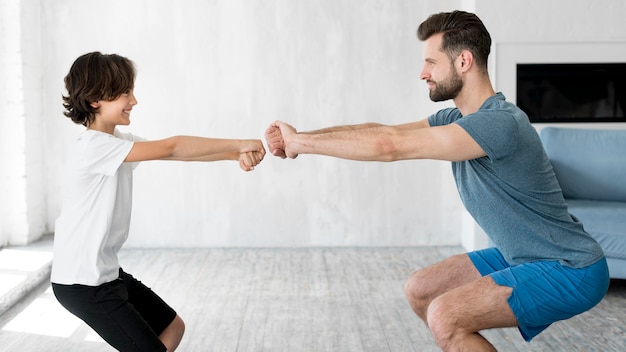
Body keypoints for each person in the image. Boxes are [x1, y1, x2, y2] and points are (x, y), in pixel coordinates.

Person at [264, 10, 609, 352]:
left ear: (463, 61)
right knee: (422, 289)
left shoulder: (500, 124)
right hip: (523, 255)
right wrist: (301, 139)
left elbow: (389, 147)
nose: (422, 73)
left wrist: (301, 144)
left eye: (431, 62)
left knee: (446, 315)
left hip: (571, 268)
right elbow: (384, 131)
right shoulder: (455, 117)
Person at [51, 52, 265, 352]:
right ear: (96, 99)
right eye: (125, 92)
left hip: (106, 275)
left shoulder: (118, 144)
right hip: (82, 283)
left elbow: (176, 152)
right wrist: (239, 144)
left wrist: (235, 156)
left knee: (172, 327)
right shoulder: (92, 146)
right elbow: (172, 145)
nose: (134, 101)